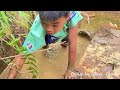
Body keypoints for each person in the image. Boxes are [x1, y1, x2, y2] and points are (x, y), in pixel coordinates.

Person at [7, 11, 83, 79]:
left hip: (64, 30)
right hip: (45, 34)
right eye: (44, 23)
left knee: (67, 41)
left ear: (67, 17)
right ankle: (45, 44)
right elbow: (22, 55)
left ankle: (63, 41)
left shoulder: (73, 16)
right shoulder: (37, 31)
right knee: (44, 41)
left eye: (54, 25)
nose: (49, 29)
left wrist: (70, 69)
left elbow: (73, 43)